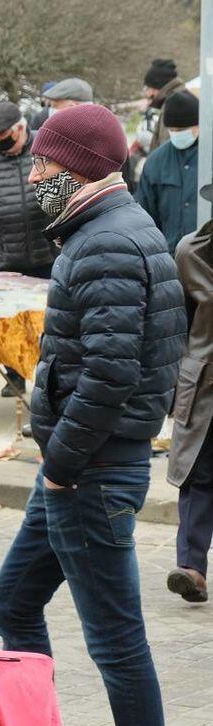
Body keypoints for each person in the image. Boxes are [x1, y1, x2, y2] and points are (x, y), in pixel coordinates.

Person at [0, 103, 185, 726]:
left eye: (42, 163)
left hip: (90, 473)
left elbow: (109, 372)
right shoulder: (107, 230)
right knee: (12, 604)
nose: (33, 174)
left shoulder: (106, 242)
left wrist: (62, 465)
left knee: (116, 641)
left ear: (76, 169)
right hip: (79, 469)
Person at [0, 100, 60, 397]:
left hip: (45, 254)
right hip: (4, 256)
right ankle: (14, 376)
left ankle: (49, 375)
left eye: (4, 136)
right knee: (8, 322)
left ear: (21, 128)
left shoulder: (45, 149)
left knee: (48, 321)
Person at [167, 209, 213, 604]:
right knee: (198, 472)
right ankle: (191, 568)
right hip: (204, 382)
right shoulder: (190, 252)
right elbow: (176, 323)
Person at [137, 90, 200, 254]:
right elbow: (144, 215)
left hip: (206, 257)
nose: (177, 133)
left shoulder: (208, 157)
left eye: (183, 129)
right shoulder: (156, 162)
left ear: (198, 125)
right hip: (169, 256)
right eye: (173, 129)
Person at [143, 59, 187, 153]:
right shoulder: (176, 99)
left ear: (157, 86)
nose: (147, 93)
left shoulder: (173, 105)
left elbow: (165, 148)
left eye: (148, 87)